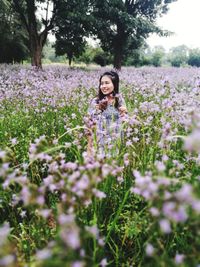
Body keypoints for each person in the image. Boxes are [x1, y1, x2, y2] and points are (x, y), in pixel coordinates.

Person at [87, 71, 127, 157]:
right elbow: (89, 127)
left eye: (107, 83)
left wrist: (125, 114)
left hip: (115, 144)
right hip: (99, 144)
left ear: (114, 84)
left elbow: (124, 123)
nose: (103, 86)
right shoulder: (95, 101)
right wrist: (89, 150)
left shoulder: (119, 100)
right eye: (101, 83)